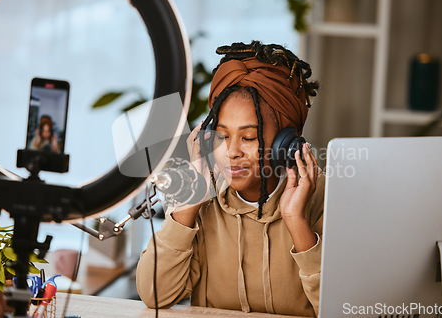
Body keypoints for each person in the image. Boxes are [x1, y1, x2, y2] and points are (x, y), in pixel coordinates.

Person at [136, 41, 324, 317]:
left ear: (286, 143)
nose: (232, 152)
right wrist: (187, 209)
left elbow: (341, 308)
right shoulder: (205, 198)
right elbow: (154, 295)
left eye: (249, 137)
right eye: (223, 136)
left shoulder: (325, 198)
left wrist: (297, 223)